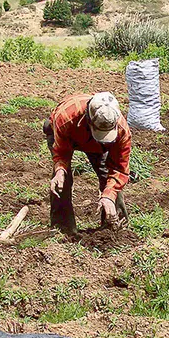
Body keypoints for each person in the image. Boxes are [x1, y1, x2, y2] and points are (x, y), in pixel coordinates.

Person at [45, 92, 131, 235]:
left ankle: (115, 227)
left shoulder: (122, 130)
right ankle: (62, 229)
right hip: (68, 133)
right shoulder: (66, 118)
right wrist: (60, 170)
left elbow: (119, 168)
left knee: (108, 177)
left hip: (97, 144)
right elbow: (61, 151)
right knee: (62, 181)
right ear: (89, 120)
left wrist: (109, 195)